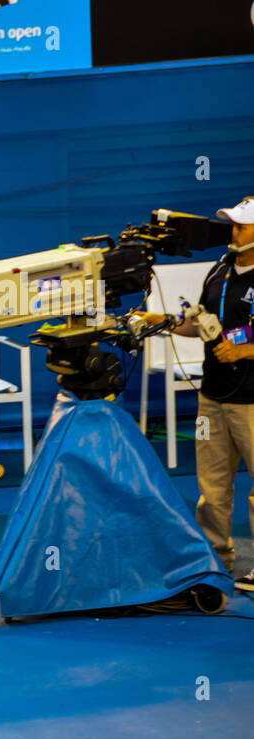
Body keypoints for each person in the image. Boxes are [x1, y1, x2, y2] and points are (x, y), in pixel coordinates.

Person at [153, 196, 254, 588]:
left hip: (251, 402)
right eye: (232, 224)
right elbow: (201, 323)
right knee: (212, 487)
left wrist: (245, 349)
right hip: (212, 398)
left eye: (241, 226)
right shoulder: (220, 270)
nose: (233, 231)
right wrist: (162, 322)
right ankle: (214, 558)